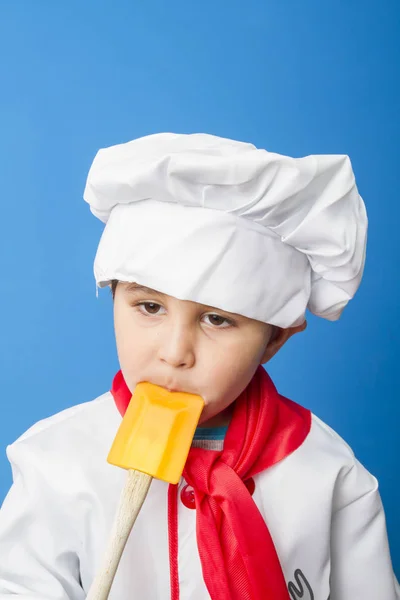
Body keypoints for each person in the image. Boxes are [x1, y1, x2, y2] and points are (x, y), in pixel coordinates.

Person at [0, 133, 398, 600]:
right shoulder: (57, 462)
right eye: (149, 307)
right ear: (112, 299)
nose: (174, 351)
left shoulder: (327, 473)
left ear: (275, 338)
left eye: (217, 319)